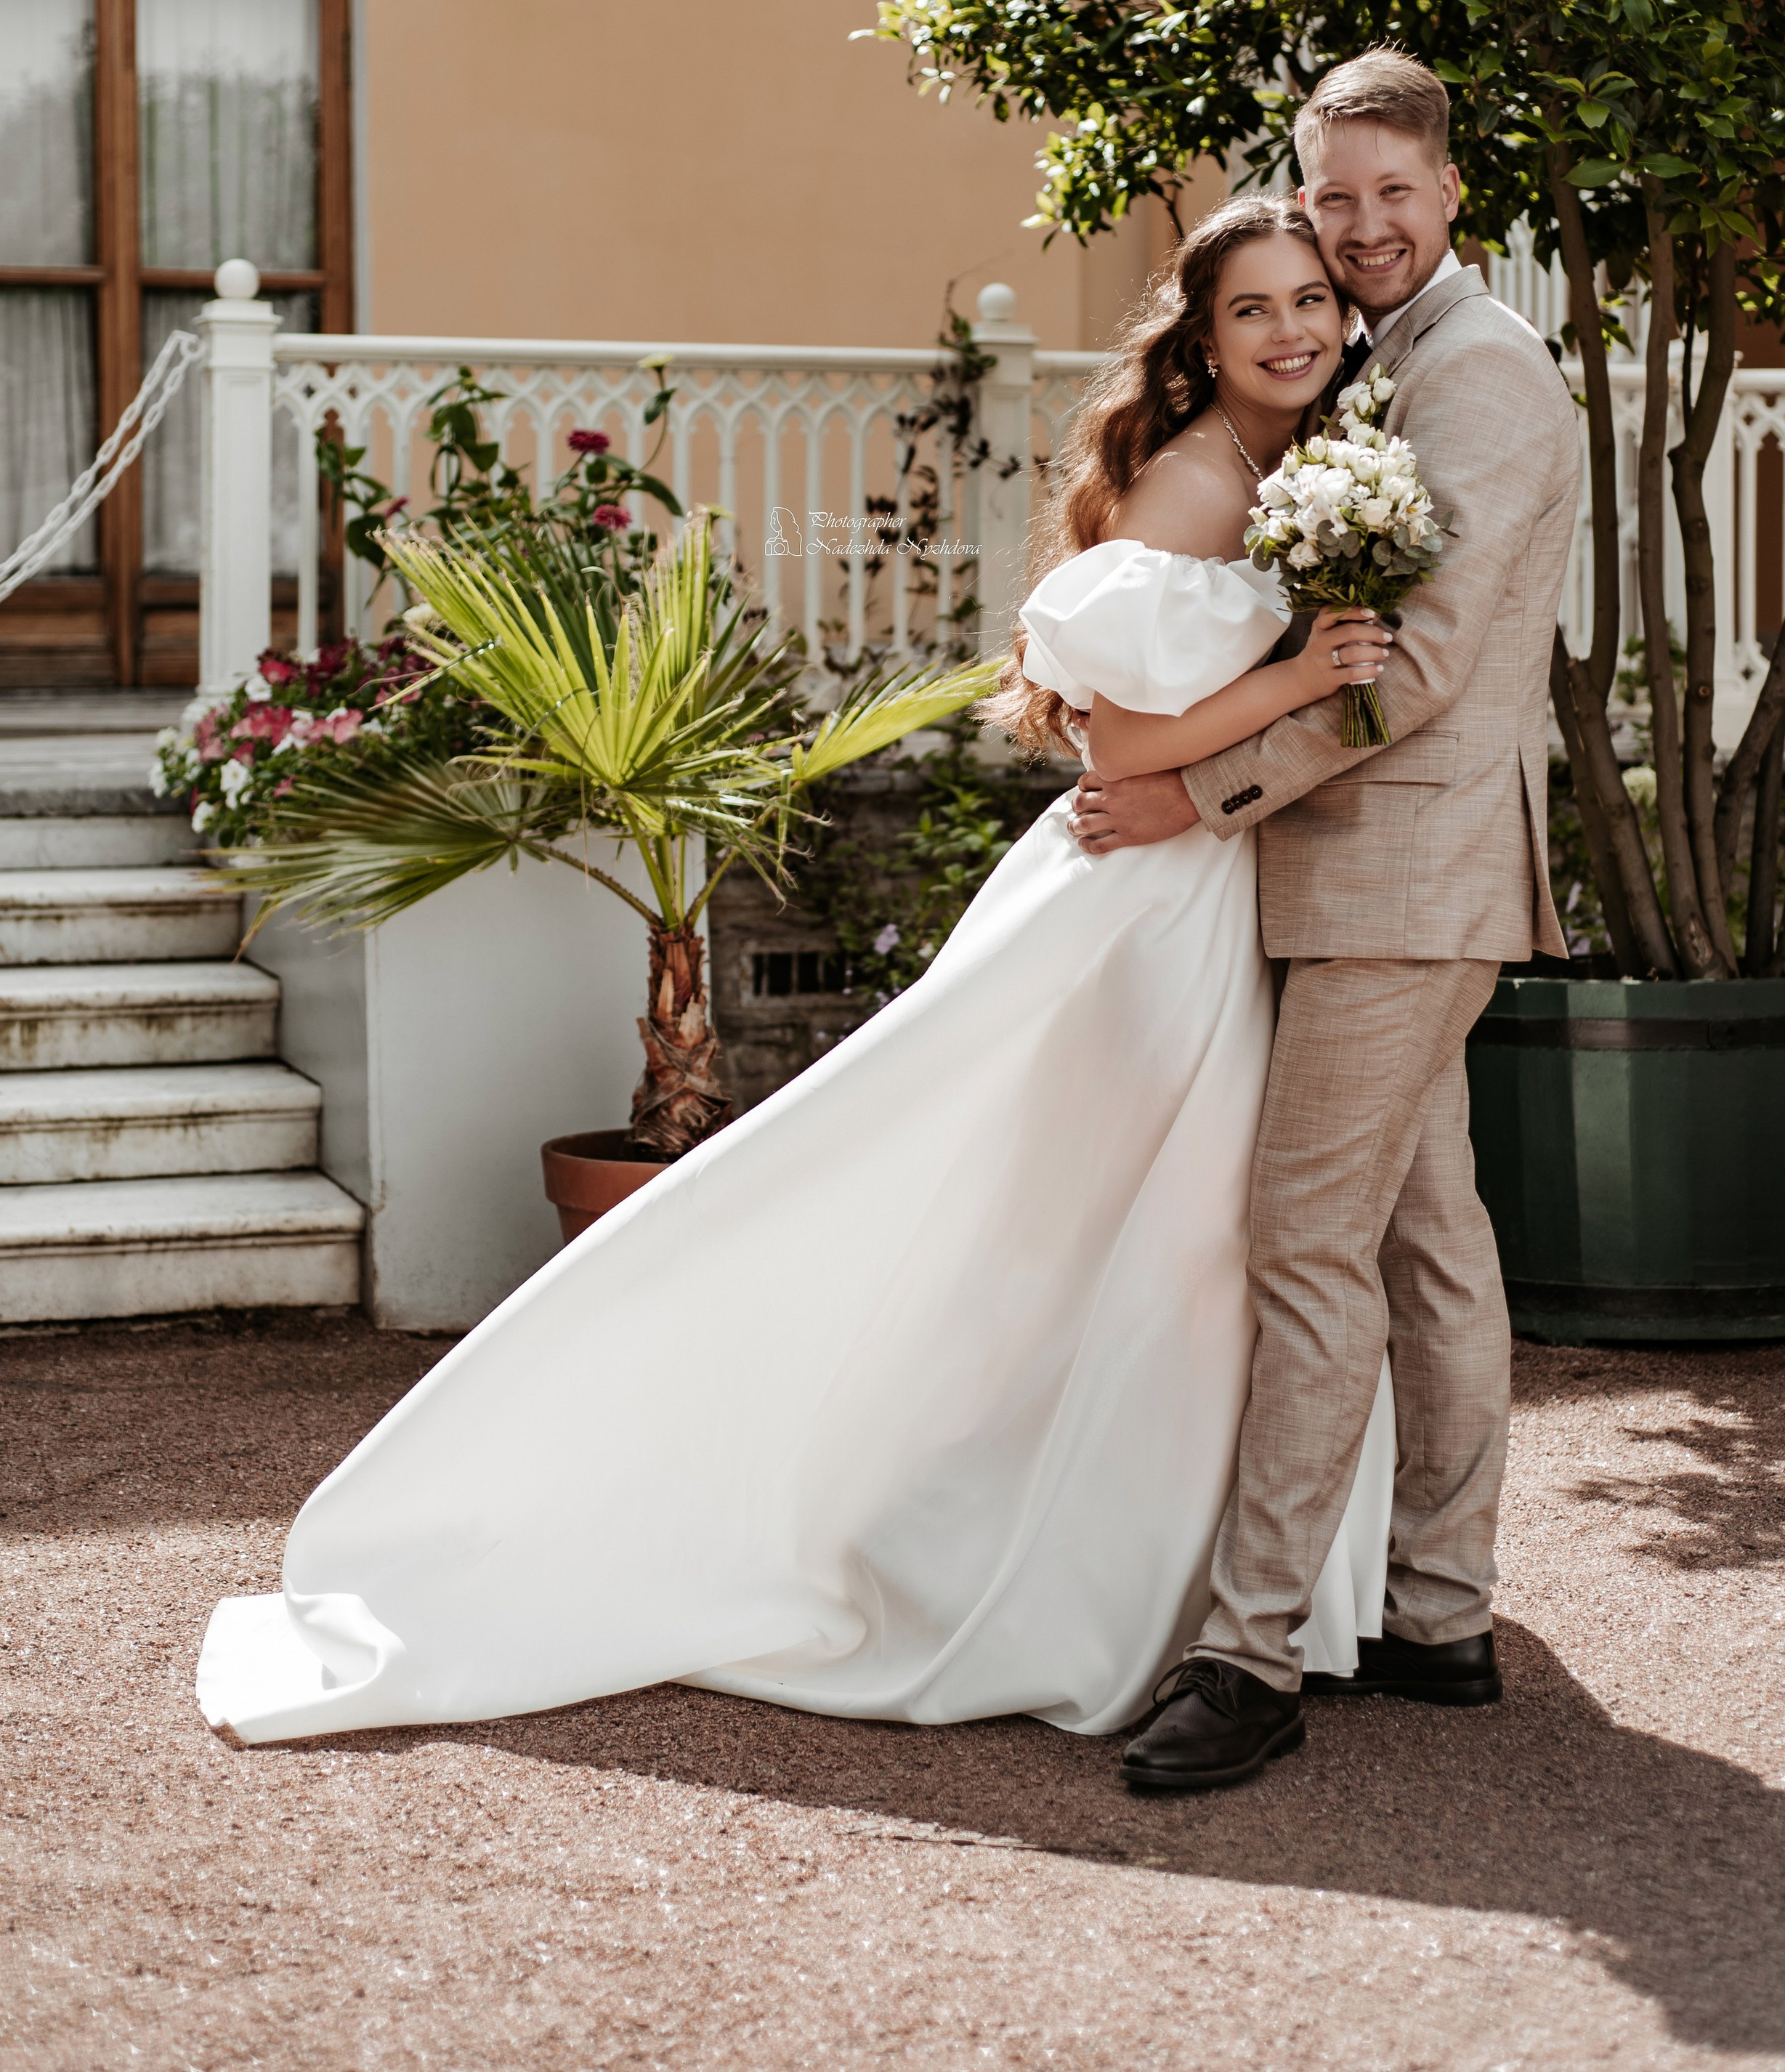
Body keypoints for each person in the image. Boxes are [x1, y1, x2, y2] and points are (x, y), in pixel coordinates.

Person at [195, 197, 1399, 1750]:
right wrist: (1300, 673)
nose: (1291, 328)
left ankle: (1211, 1580)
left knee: (1170, 1249)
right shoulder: (1185, 482)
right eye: (1254, 309)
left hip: (1216, 892)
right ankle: (1077, 1578)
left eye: (1311, 299)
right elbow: (1111, 739)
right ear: (1201, 335)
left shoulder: (1298, 471)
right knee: (1119, 1240)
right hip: (1143, 914)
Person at [1080, 52, 1583, 1798]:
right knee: (1422, 1233)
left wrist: (1186, 797)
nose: (1360, 226)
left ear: (1450, 192)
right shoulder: (1388, 363)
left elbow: (1421, 671)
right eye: (1332, 194)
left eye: (1390, 193)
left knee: (1301, 1242)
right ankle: (1438, 1611)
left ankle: (1252, 1646)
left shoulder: (1486, 380)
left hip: (1403, 873)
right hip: (1358, 870)